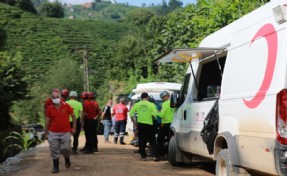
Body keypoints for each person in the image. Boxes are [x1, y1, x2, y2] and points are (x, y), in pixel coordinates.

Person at [45, 89, 76, 174]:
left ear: (60, 97)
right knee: (54, 149)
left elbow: (73, 117)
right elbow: (47, 121)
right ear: (51, 98)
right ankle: (55, 166)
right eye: (53, 97)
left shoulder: (66, 106)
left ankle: (67, 159)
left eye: (57, 97)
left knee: (65, 148)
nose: (55, 99)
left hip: (65, 132)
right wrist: (46, 133)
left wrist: (74, 128)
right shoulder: (49, 108)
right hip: (53, 132)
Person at [129, 93, 159, 161]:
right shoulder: (151, 104)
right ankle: (154, 156)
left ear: (141, 97)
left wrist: (135, 123)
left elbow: (131, 113)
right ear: (147, 97)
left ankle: (143, 156)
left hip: (141, 124)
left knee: (142, 141)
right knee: (152, 140)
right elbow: (156, 114)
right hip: (149, 124)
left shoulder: (137, 104)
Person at [157, 91, 175, 157]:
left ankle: (160, 154)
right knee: (169, 139)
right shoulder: (174, 103)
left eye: (162, 98)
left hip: (165, 124)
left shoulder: (164, 104)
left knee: (160, 139)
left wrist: (158, 112)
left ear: (165, 97)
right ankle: (169, 155)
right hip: (173, 124)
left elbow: (162, 115)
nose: (162, 99)